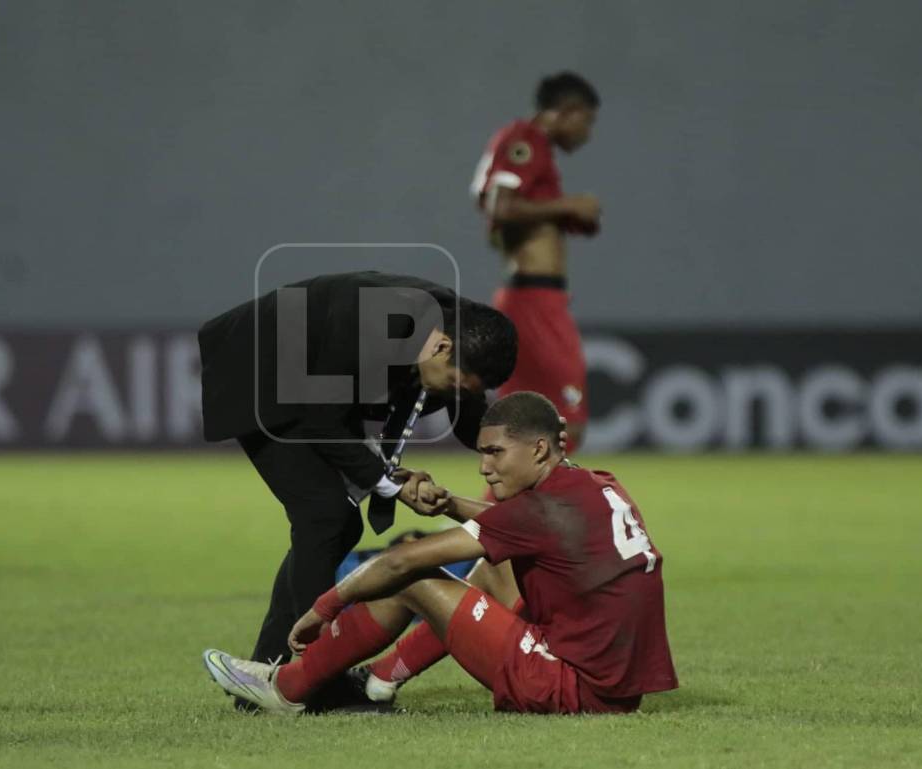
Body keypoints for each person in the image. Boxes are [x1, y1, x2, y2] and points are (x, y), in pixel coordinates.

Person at [203, 391, 679, 714]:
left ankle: (286, 688)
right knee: (493, 569)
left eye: (495, 452)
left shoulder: (540, 512)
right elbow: (514, 526)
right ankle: (380, 680)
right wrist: (450, 503)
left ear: (538, 449)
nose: (484, 467)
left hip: (574, 688)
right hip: (616, 687)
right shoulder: (593, 484)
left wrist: (323, 608)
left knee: (413, 575)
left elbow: (401, 561)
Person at [197, 271, 517, 693]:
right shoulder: (379, 327)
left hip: (317, 379)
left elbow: (470, 415)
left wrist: (531, 454)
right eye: (454, 384)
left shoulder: (455, 336)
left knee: (334, 524)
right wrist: (393, 485)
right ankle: (311, 681)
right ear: (441, 347)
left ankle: (272, 671)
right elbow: (319, 416)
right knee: (324, 516)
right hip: (261, 370)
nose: (454, 396)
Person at [469, 72, 602, 450]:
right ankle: (535, 490)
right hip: (535, 301)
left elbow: (498, 209)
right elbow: (501, 207)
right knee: (566, 423)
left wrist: (568, 218)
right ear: (566, 111)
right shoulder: (526, 141)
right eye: (586, 120)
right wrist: (569, 205)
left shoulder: (532, 148)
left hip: (528, 298)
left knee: (524, 428)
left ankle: (504, 492)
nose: (587, 132)